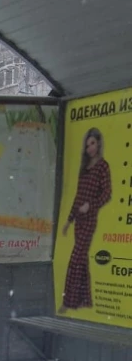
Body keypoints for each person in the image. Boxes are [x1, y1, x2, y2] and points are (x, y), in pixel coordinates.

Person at [60, 127, 111, 312]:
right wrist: (68, 221)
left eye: (93, 143)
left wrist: (92, 205)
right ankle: (85, 300)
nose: (90, 148)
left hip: (90, 220)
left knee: (75, 258)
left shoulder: (103, 166)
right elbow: (78, 196)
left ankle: (69, 303)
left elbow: (107, 193)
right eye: (87, 144)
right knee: (82, 259)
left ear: (98, 144)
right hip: (79, 221)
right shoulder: (85, 167)